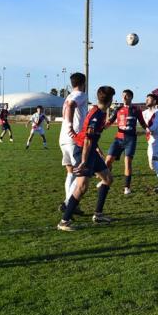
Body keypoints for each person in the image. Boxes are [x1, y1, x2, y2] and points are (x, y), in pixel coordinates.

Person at [58, 86, 116, 231]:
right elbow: (87, 139)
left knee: (108, 179)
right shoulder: (97, 115)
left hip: (90, 151)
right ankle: (64, 221)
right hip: (83, 151)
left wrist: (97, 150)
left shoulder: (99, 112)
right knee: (81, 186)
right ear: (110, 100)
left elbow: (92, 137)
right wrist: (84, 160)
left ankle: (98, 215)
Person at [103, 89, 148, 195]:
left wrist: (148, 130)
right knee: (108, 161)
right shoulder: (118, 109)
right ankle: (105, 180)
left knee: (127, 162)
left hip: (130, 140)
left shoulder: (136, 110)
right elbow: (109, 122)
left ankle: (127, 187)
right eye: (123, 95)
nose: (124, 97)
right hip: (118, 139)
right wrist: (103, 125)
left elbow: (143, 123)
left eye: (126, 95)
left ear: (131, 97)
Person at [58, 73, 88, 213]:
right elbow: (71, 106)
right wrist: (71, 126)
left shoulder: (68, 96)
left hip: (63, 138)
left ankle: (71, 204)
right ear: (83, 83)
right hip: (74, 138)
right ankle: (68, 203)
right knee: (80, 172)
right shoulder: (80, 95)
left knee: (70, 172)